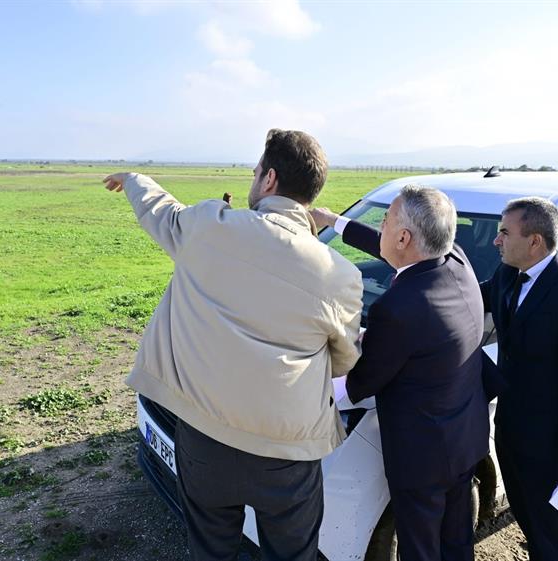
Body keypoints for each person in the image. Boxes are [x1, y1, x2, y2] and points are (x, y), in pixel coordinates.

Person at [103, 129, 363, 561]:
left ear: (269, 179)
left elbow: (162, 212)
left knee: (211, 548)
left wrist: (135, 179)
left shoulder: (210, 227)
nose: (253, 177)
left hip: (206, 438)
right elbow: (343, 360)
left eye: (256, 170)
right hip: (288, 451)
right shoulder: (341, 275)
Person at [312, 186, 489, 561]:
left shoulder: (398, 308)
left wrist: (308, 384)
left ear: (405, 238)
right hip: (465, 437)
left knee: (419, 548)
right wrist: (333, 221)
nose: (382, 226)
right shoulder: (455, 260)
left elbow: (358, 385)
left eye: (386, 220)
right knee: (456, 541)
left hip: (422, 460)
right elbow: (387, 248)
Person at [480, 197, 558, 561]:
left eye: (504, 232)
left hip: (549, 444)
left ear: (534, 241)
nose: (496, 240)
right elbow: (463, 297)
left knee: (551, 538)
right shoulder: (507, 274)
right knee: (530, 524)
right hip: (509, 431)